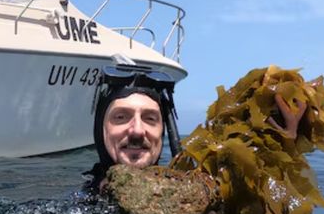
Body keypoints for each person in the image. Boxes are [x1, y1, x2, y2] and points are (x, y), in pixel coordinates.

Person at [87, 67, 307, 190]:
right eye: (121, 117)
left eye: (150, 118)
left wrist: (283, 152)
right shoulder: (79, 211)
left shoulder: (197, 195)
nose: (136, 131)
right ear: (101, 129)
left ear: (162, 130)